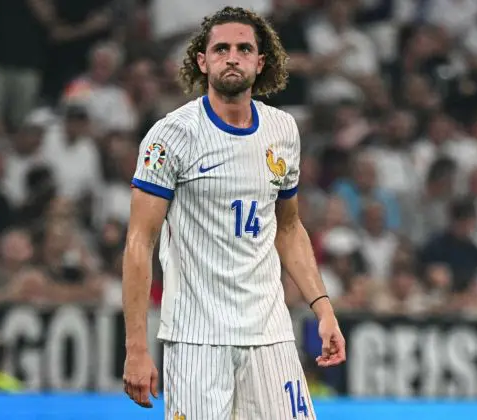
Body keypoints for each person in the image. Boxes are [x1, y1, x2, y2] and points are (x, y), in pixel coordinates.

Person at [122, 6, 346, 419]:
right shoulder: (172, 136)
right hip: (196, 339)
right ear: (202, 61)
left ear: (260, 63)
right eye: (221, 48)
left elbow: (289, 226)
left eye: (244, 49)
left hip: (269, 333)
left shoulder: (282, 131)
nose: (232, 56)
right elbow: (140, 242)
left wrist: (323, 308)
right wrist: (136, 347)